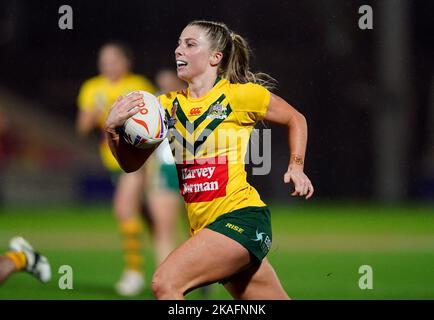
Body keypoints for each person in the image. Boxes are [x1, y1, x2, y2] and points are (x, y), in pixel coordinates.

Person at [104, 20, 314, 300]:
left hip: (242, 219)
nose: (179, 50)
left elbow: (295, 118)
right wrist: (112, 132)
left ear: (216, 57)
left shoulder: (239, 95)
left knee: (165, 283)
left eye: (190, 44)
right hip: (208, 230)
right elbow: (131, 164)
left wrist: (296, 166)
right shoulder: (165, 106)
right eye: (179, 43)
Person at [76, 41, 157, 296]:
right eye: (104, 60)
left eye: (113, 60)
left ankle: (134, 272)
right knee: (150, 219)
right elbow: (82, 128)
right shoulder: (92, 87)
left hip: (137, 161)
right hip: (112, 161)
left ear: (125, 62)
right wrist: (94, 114)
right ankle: (182, 264)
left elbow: (154, 124)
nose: (107, 65)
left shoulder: (139, 86)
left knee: (123, 209)